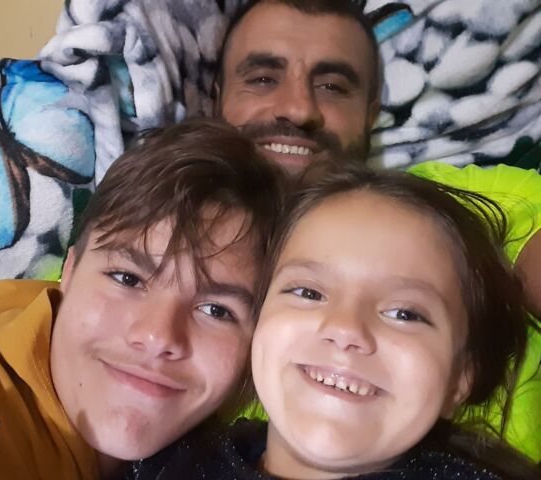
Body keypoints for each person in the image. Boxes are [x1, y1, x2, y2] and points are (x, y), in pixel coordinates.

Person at [213, 0, 541, 459]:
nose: (299, 109)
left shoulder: (463, 209)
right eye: (264, 79)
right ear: (217, 98)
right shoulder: (161, 242)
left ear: (370, 114)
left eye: (332, 86)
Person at [0, 118, 284, 479]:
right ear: (69, 272)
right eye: (127, 278)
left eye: (216, 311)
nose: (157, 335)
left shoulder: (234, 456)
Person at [131, 161, 541, 479]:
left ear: (460, 378)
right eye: (308, 292)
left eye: (404, 313)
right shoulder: (167, 460)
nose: (345, 329)